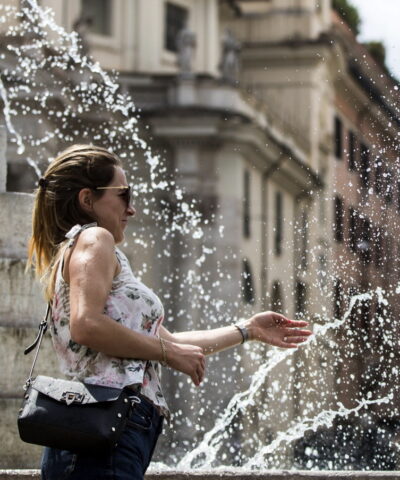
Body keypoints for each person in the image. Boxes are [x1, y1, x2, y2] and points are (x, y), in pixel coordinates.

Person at [28, 145, 313, 479]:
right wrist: (168, 352)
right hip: (101, 429)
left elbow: (169, 340)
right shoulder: (95, 238)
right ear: (87, 199)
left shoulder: (90, 251)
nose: (131, 209)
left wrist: (248, 330)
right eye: (123, 194)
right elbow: (87, 325)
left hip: (106, 430)